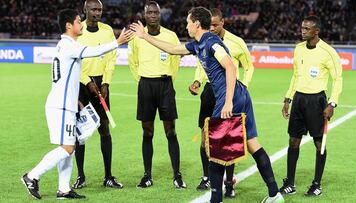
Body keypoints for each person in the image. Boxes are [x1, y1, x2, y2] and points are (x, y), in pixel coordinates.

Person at [130, 6, 284, 203]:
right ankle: (274, 194)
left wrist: (227, 101)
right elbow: (173, 49)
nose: (186, 26)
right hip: (240, 95)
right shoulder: (197, 44)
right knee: (253, 144)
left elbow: (229, 66)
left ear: (196, 23)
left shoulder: (211, 42)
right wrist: (145, 37)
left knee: (215, 150)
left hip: (230, 97)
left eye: (187, 22)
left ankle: (215, 199)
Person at [20, 9, 132, 200]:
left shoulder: (65, 46)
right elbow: (92, 52)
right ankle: (31, 176)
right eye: (78, 21)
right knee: (68, 148)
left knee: (68, 147)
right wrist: (117, 42)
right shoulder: (68, 45)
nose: (81, 24)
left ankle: (63, 189)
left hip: (66, 104)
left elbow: (65, 79)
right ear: (68, 26)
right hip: (61, 106)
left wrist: (77, 101)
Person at [188, 8, 254, 198]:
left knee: (228, 141)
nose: (213, 28)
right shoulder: (204, 41)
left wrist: (244, 86)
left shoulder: (236, 42)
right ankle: (207, 176)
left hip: (229, 92)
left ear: (223, 23)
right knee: (204, 137)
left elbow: (248, 67)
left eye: (216, 25)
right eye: (211, 25)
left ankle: (229, 183)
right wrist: (197, 81)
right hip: (210, 91)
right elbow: (203, 64)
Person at [280, 15, 343, 197]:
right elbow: (295, 75)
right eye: (302, 27)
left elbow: (337, 79)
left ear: (316, 31)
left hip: (317, 101)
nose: (303, 31)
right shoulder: (298, 49)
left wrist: (332, 103)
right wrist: (288, 98)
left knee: (318, 143)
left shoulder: (328, 51)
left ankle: (316, 184)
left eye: (307, 29)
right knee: (293, 141)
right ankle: (290, 183)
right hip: (299, 99)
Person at [127, 1, 186, 189]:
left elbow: (176, 59)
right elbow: (132, 62)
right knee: (147, 132)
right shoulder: (137, 37)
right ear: (145, 15)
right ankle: (147, 175)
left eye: (156, 13)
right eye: (150, 12)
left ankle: (177, 175)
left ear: (160, 15)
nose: (153, 15)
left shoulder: (170, 36)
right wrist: (142, 81)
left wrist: (169, 78)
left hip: (165, 84)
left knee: (171, 131)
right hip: (146, 85)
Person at [72, 0, 123, 189]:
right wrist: (87, 82)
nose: (97, 12)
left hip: (102, 84)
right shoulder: (79, 30)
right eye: (93, 9)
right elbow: (76, 60)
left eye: (99, 9)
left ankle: (108, 176)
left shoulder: (108, 30)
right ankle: (80, 176)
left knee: (104, 128)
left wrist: (106, 82)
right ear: (85, 10)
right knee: (81, 132)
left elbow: (111, 58)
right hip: (82, 85)